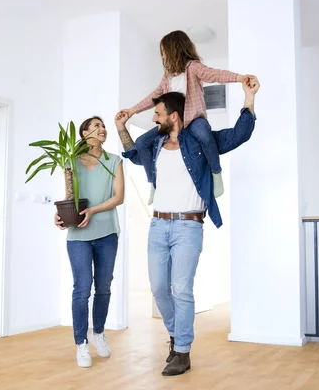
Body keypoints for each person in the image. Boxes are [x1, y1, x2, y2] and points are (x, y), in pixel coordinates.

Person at [115, 77, 260, 376]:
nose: (153, 118)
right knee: (158, 289)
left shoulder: (200, 143)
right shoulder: (154, 145)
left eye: (157, 114)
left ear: (174, 116)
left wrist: (249, 98)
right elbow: (131, 155)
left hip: (188, 227)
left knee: (181, 289)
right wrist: (121, 128)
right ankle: (176, 335)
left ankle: (182, 350)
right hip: (158, 225)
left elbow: (239, 134)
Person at [117, 29, 254, 198]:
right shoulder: (167, 77)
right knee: (142, 141)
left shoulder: (193, 67)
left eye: (163, 52)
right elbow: (155, 95)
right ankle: (153, 182)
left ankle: (216, 174)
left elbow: (214, 74)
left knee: (204, 135)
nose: (162, 57)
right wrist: (132, 110)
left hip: (194, 119)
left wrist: (239, 78)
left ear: (173, 49)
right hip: (173, 124)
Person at [54, 116, 124, 368]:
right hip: (78, 237)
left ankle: (99, 333)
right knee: (81, 289)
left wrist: (93, 211)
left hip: (107, 233)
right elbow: (69, 198)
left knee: (103, 286)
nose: (102, 129)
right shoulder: (70, 162)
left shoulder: (114, 161)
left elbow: (119, 197)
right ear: (84, 134)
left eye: (103, 126)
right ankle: (81, 343)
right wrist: (60, 217)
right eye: (96, 126)